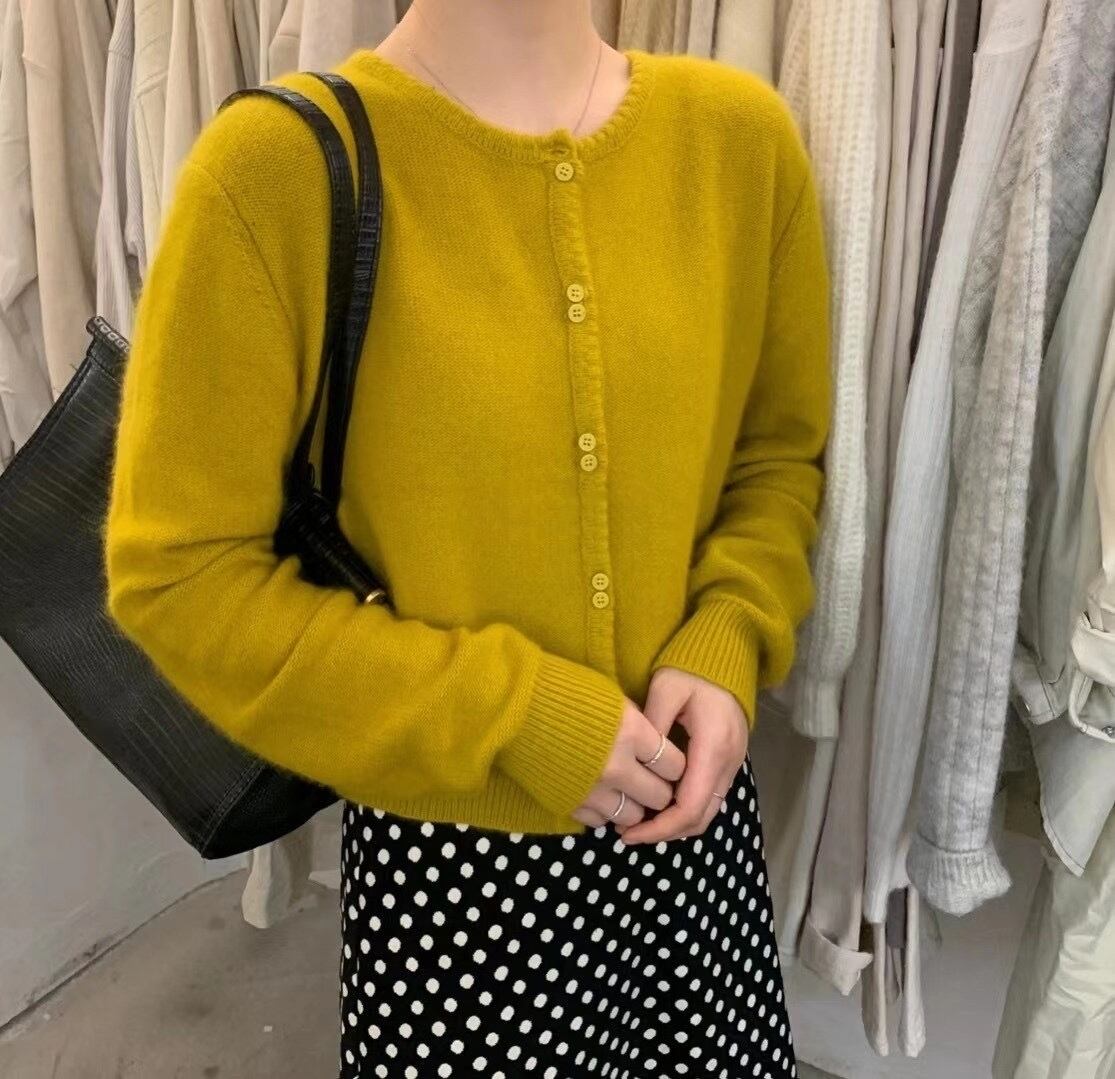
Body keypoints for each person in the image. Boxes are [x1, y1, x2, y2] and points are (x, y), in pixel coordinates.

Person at [104, 1, 831, 1075]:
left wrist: (727, 635)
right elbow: (177, 575)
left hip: (691, 825)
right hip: (451, 870)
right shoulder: (270, 176)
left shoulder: (737, 144)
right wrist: (510, 714)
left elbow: (775, 458)